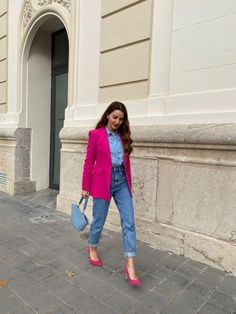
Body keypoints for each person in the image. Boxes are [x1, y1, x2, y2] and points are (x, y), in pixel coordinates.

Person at [81, 101, 141, 286]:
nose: (117, 121)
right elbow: (89, 161)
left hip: (121, 181)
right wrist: (85, 186)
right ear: (107, 115)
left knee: (129, 221)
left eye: (121, 119)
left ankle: (130, 264)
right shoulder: (96, 135)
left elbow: (125, 162)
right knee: (98, 220)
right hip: (102, 182)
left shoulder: (124, 137)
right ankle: (92, 247)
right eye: (114, 117)